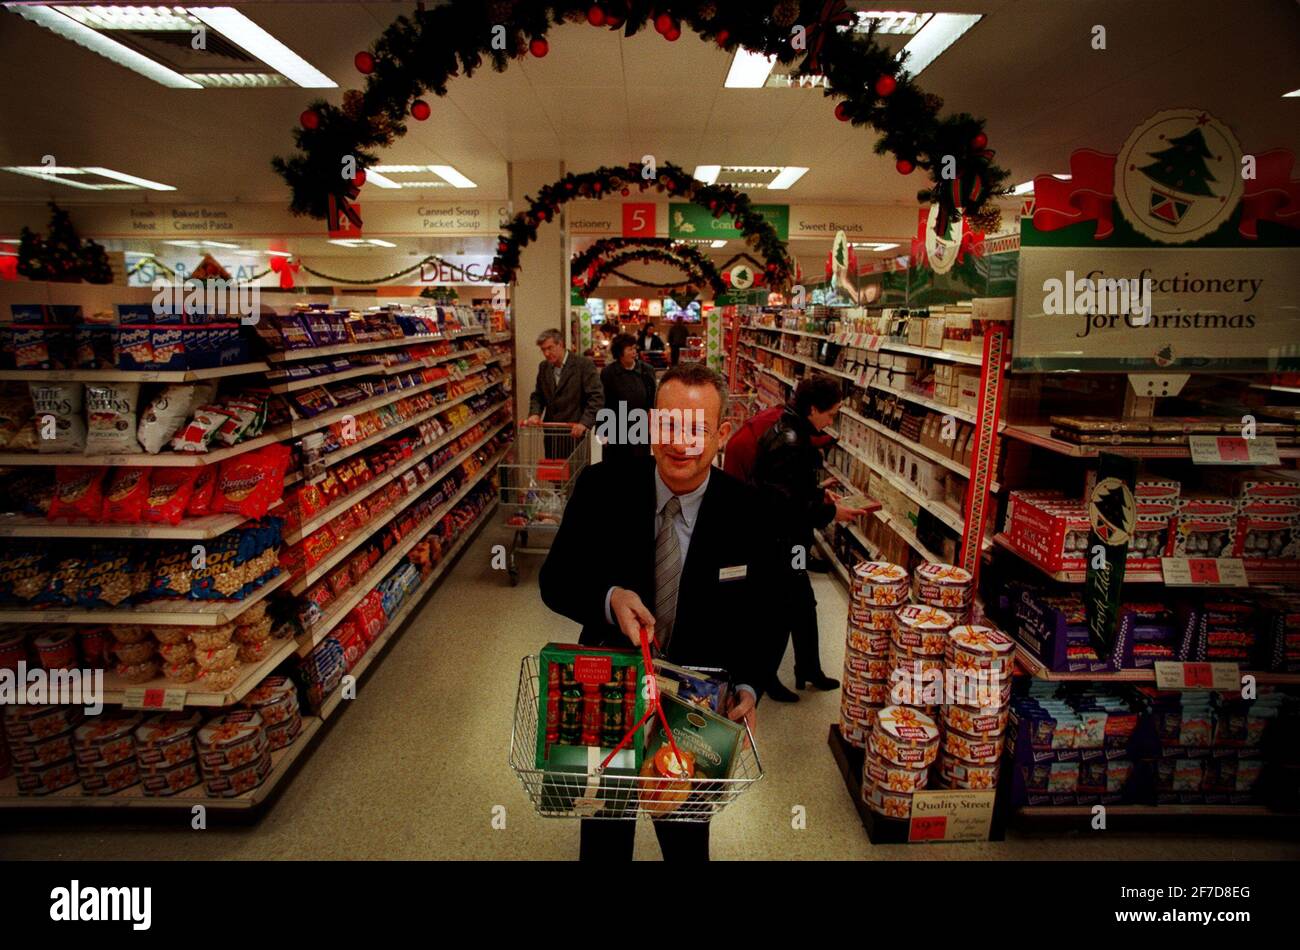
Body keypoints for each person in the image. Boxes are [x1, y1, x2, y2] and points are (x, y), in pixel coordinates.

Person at [539, 364, 784, 862]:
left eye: (697, 428)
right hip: (608, 691)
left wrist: (750, 685)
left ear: (720, 435)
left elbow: (769, 612)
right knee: (605, 835)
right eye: (670, 424)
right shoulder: (601, 487)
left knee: (686, 839)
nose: (681, 442)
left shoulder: (752, 513)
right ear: (651, 427)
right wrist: (609, 598)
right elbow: (556, 580)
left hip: (694, 710)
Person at [753, 376, 874, 703]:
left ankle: (808, 668)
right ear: (812, 409)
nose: (831, 421)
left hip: (787, 540)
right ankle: (766, 676)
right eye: (830, 413)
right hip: (782, 542)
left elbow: (790, 490)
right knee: (783, 608)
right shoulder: (793, 444)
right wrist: (833, 513)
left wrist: (819, 494)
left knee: (803, 603)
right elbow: (786, 507)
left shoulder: (788, 429)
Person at [525, 328, 604, 440]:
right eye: (543, 350)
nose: (546, 353)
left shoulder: (583, 365)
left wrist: (585, 423)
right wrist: (535, 413)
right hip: (552, 433)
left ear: (560, 344)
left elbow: (596, 397)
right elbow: (538, 395)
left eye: (550, 348)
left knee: (575, 458)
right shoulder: (544, 367)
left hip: (576, 432)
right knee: (552, 458)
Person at [599, 334, 657, 462]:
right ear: (620, 353)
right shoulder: (608, 373)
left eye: (634, 348)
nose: (634, 352)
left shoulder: (647, 370)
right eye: (629, 349)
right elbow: (603, 403)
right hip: (616, 427)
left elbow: (653, 398)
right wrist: (603, 431)